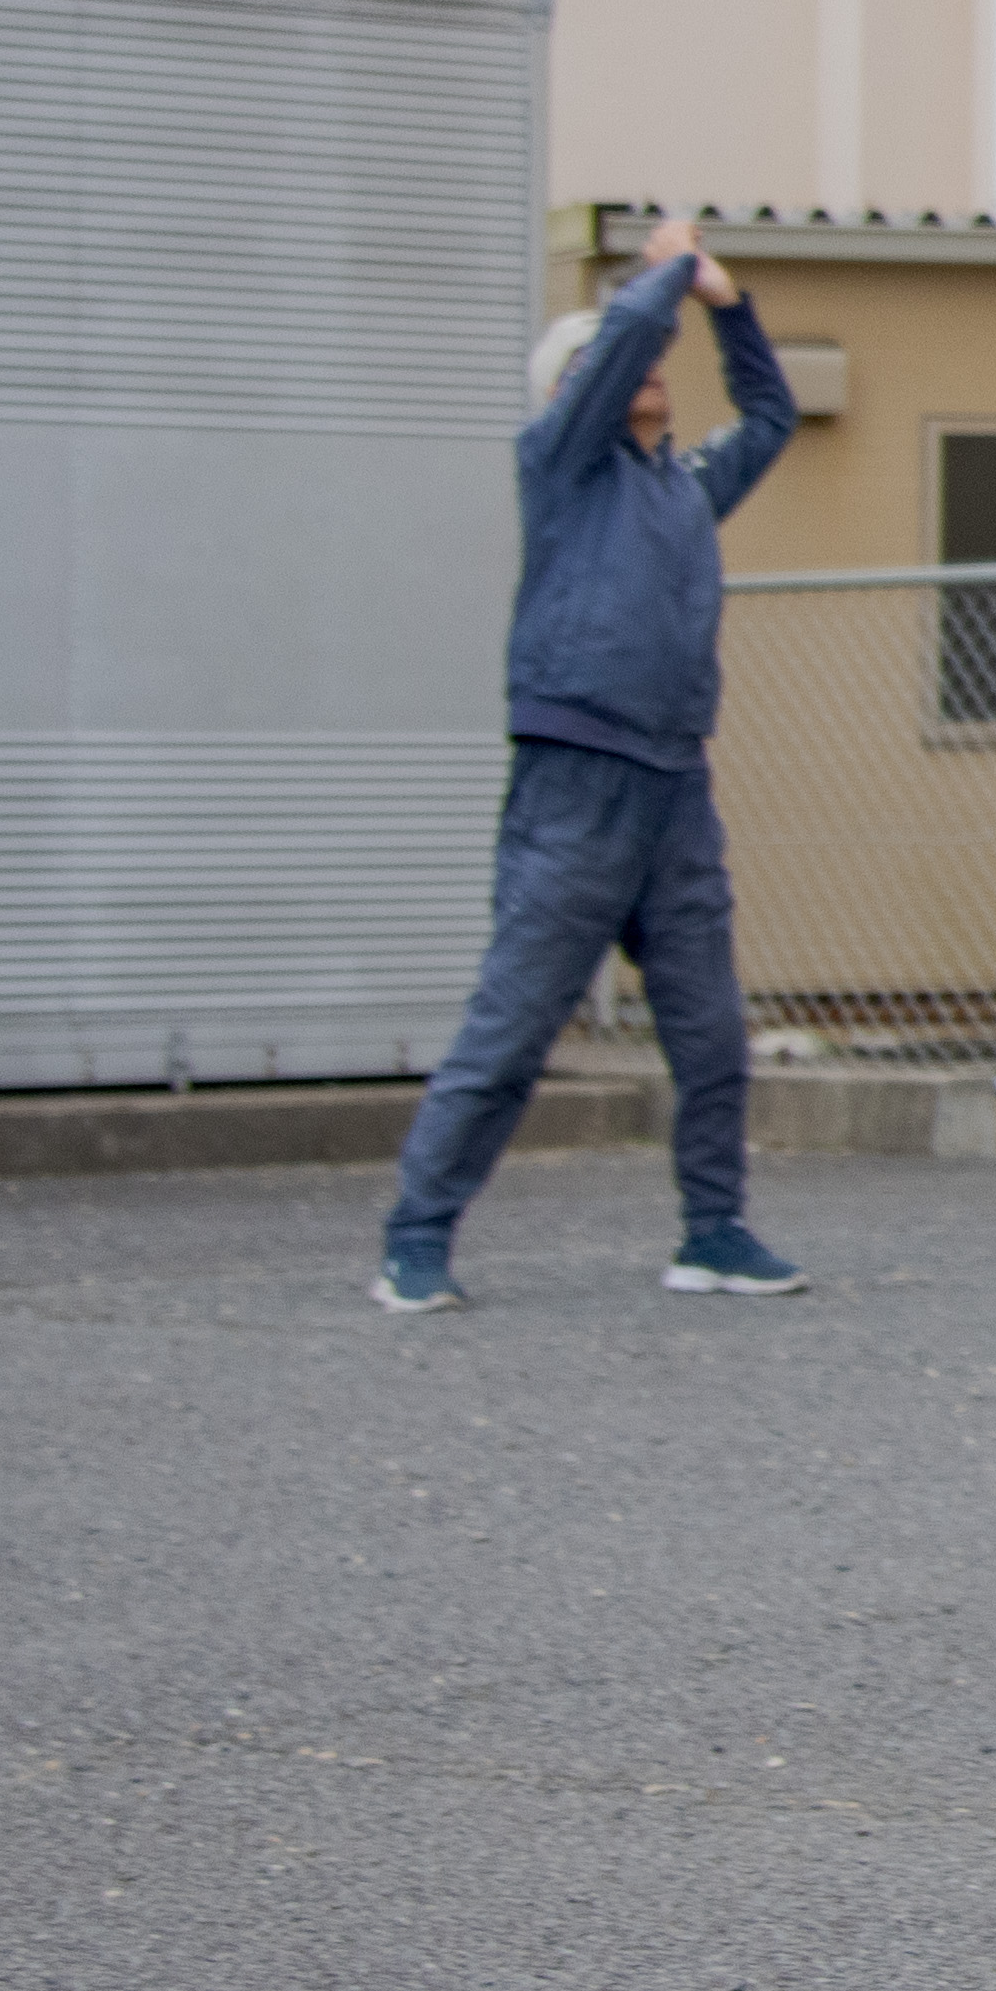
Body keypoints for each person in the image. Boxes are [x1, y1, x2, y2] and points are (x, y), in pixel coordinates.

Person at [376, 215, 802, 1311]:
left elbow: (772, 414)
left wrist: (729, 303)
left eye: (656, 361)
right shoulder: (559, 462)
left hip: (674, 786)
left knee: (708, 1032)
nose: (647, 368)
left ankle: (714, 1231)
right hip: (575, 779)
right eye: (618, 361)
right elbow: (617, 339)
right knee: (512, 1026)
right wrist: (663, 273)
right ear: (573, 385)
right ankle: (415, 1240)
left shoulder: (683, 487)